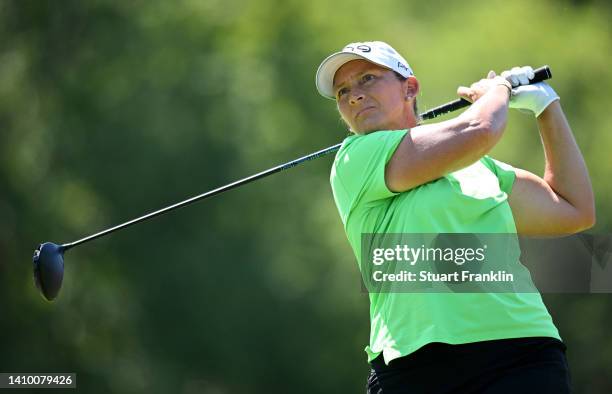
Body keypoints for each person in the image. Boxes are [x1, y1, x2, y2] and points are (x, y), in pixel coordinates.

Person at [315, 41, 595, 393]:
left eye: (367, 79)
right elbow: (480, 130)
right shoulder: (355, 159)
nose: (354, 95)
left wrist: (547, 107)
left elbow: (573, 208)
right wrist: (498, 90)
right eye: (343, 91)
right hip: (412, 365)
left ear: (410, 87)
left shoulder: (483, 169)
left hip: (519, 353)